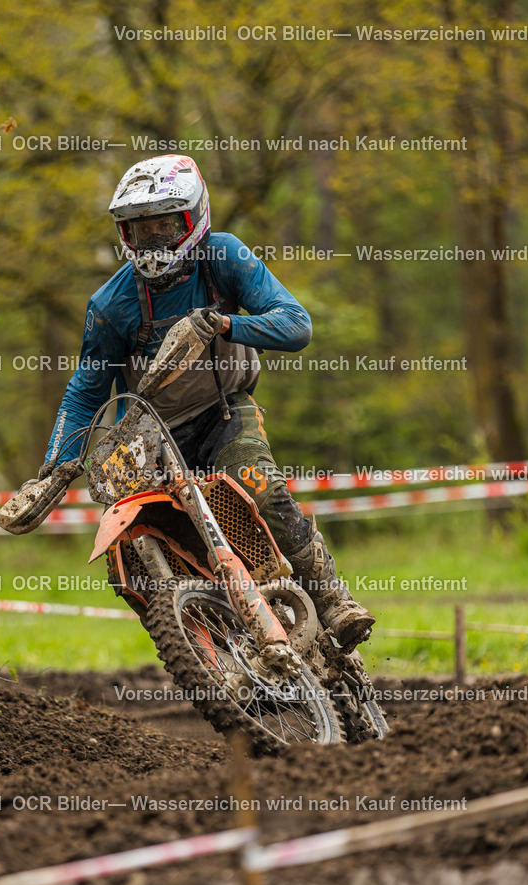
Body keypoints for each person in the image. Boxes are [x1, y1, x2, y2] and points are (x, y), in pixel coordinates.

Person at [39, 155, 374, 650]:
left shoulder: (225, 258)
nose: (152, 239)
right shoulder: (111, 305)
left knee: (258, 486)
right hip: (150, 439)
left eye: (164, 224)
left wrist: (223, 323)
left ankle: (332, 600)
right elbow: (87, 389)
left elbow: (296, 324)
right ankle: (205, 648)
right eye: (139, 228)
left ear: (193, 218)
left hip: (224, 412)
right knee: (129, 553)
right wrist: (54, 468)